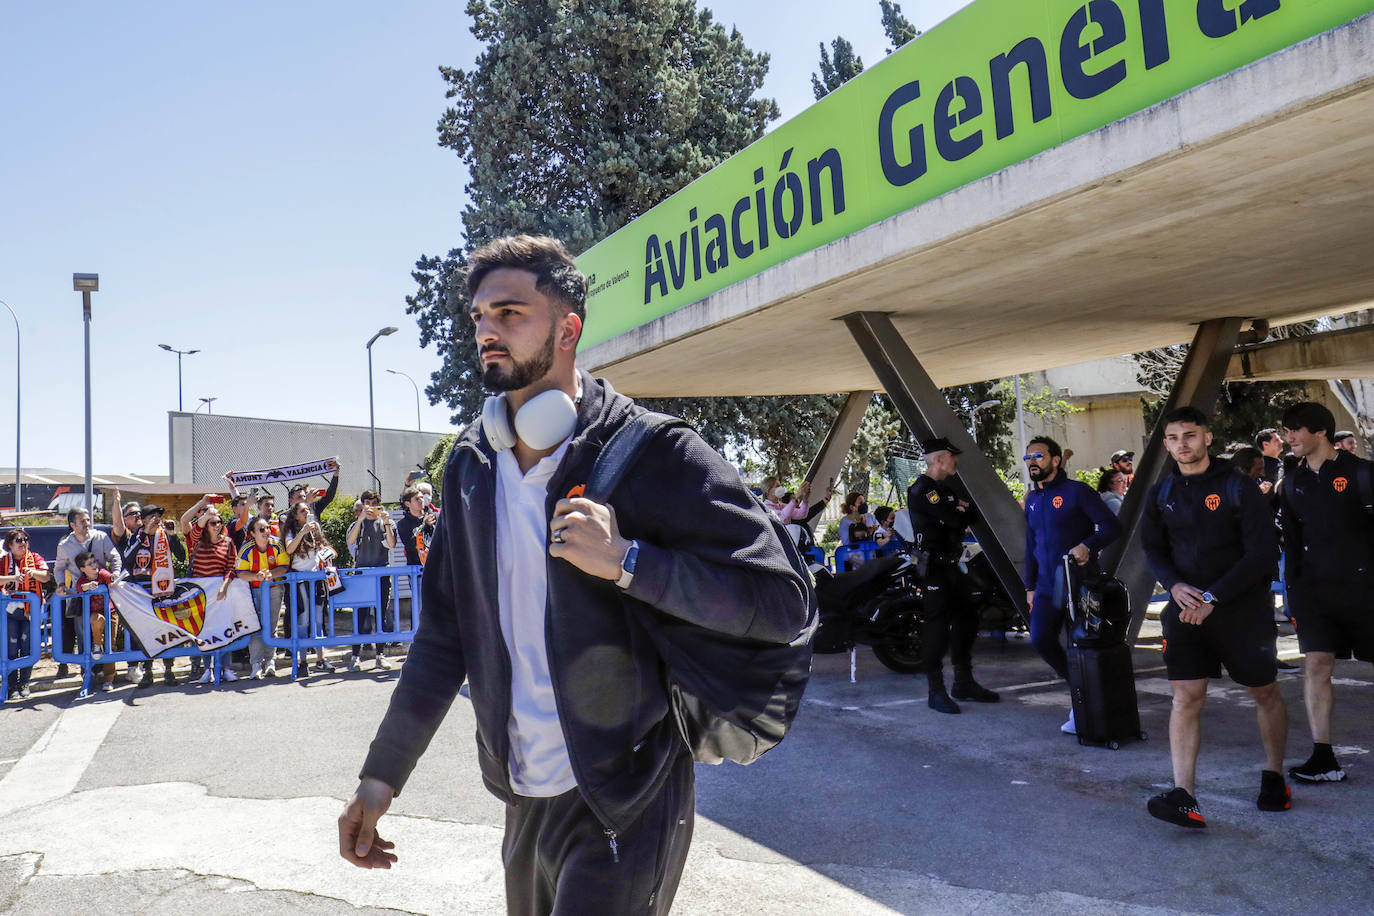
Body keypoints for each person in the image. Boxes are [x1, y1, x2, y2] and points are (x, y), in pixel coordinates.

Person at [338, 235, 810, 914]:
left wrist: (630, 565)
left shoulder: (653, 452)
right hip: (522, 798)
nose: (487, 332)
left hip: (629, 795)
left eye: (509, 313)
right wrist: (381, 777)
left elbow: (781, 602)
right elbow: (444, 637)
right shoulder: (471, 467)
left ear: (568, 329)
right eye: (479, 317)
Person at [1140, 407, 1289, 828]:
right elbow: (1152, 549)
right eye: (1173, 437)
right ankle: (1184, 795)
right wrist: (1173, 585)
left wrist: (1213, 596)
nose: (1182, 444)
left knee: (1264, 693)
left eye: (1190, 435)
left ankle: (1274, 775)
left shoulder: (1237, 486)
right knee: (1186, 698)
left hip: (1241, 610)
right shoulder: (1160, 492)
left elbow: (1261, 554)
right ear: (1166, 443)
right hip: (1186, 613)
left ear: (1207, 437)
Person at [1277, 402, 1374, 784]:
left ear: (1320, 432)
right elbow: (1291, 539)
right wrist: (1295, 592)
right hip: (1315, 595)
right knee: (1317, 665)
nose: (1289, 438)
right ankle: (1323, 757)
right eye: (1286, 430)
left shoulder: (1363, 474)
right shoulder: (1293, 482)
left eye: (1295, 430)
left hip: (1365, 591)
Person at [1022, 437, 1122, 733]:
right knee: (1040, 639)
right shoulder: (1032, 500)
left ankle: (1088, 705)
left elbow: (1111, 527)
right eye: (1028, 458)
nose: (1032, 462)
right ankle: (1081, 690)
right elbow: (1030, 546)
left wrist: (1087, 545)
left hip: (1079, 581)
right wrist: (1029, 584)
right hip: (1044, 586)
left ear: (1055, 460)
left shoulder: (1076, 492)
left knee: (1082, 644)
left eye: (1038, 456)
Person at [907, 437, 999, 714]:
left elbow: (968, 516)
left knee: (968, 618)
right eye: (951, 455)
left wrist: (959, 511)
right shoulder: (923, 490)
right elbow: (958, 519)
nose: (955, 460)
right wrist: (957, 512)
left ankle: (964, 681)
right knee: (936, 628)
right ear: (938, 459)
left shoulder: (942, 490)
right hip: (934, 568)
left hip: (951, 566)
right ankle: (936, 691)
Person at [53, 506, 122, 679]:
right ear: (72, 524)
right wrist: (61, 584)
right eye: (82, 521)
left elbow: (114, 557)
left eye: (88, 520)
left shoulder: (100, 537)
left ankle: (105, 671)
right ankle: (87, 670)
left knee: (106, 631)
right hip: (80, 596)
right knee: (83, 633)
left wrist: (115, 574)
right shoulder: (65, 545)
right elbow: (59, 568)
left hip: (103, 594)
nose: (87, 523)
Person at [121, 504, 185, 687]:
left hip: (163, 589)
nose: (157, 519)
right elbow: (127, 558)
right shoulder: (137, 535)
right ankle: (148, 671)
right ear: (145, 519)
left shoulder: (164, 535)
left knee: (166, 629)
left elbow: (181, 557)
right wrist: (143, 536)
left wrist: (173, 537)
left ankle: (169, 670)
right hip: (142, 590)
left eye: (159, 516)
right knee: (145, 631)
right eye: (153, 516)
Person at [183, 505, 242, 683]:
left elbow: (232, 567)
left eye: (219, 522)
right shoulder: (196, 540)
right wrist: (205, 511)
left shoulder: (228, 542)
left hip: (221, 592)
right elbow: (187, 523)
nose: (217, 525)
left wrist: (224, 585)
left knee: (224, 629)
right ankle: (207, 667)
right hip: (200, 593)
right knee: (204, 631)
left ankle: (225, 667)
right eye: (212, 523)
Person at [282, 502, 336, 675]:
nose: (307, 512)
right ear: (296, 515)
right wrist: (303, 532)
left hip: (317, 578)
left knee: (319, 619)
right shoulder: (291, 530)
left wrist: (326, 551)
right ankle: (303, 660)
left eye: (308, 509)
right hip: (300, 579)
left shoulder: (315, 529)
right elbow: (289, 549)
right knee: (303, 620)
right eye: (302, 510)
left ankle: (321, 658)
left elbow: (328, 549)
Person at [346, 489, 398, 670]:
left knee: (381, 615)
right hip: (361, 576)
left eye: (374, 503)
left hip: (382, 573)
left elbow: (391, 544)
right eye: (367, 503)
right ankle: (355, 655)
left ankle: (380, 654)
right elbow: (351, 541)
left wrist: (387, 523)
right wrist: (360, 519)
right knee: (360, 616)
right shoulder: (356, 523)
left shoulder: (387, 522)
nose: (371, 507)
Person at [237, 517, 289, 679]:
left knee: (272, 626)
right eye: (261, 529)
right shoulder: (246, 549)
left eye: (267, 528)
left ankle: (270, 662)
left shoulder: (277, 544)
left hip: (274, 589)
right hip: (253, 592)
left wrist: (271, 575)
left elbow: (284, 566)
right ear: (252, 533)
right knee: (255, 627)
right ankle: (256, 664)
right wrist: (255, 577)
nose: (266, 532)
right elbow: (240, 572)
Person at [2, 528, 51, 700]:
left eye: (25, 540)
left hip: (30, 611)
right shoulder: (3, 561)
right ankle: (11, 685)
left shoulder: (35, 558)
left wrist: (33, 573)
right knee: (11, 648)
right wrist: (12, 579)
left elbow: (46, 576)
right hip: (9, 612)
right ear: (10, 544)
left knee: (28, 647)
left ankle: (24, 683)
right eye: (19, 540)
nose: (23, 543)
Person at [59, 552, 117, 691]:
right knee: (95, 620)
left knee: (111, 645)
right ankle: (97, 646)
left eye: (94, 561)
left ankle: (109, 679)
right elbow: (80, 588)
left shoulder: (102, 573)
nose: (94, 565)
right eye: (89, 564)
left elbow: (111, 578)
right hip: (96, 613)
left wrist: (114, 577)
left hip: (111, 612)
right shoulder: (82, 580)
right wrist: (88, 586)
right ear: (82, 569)